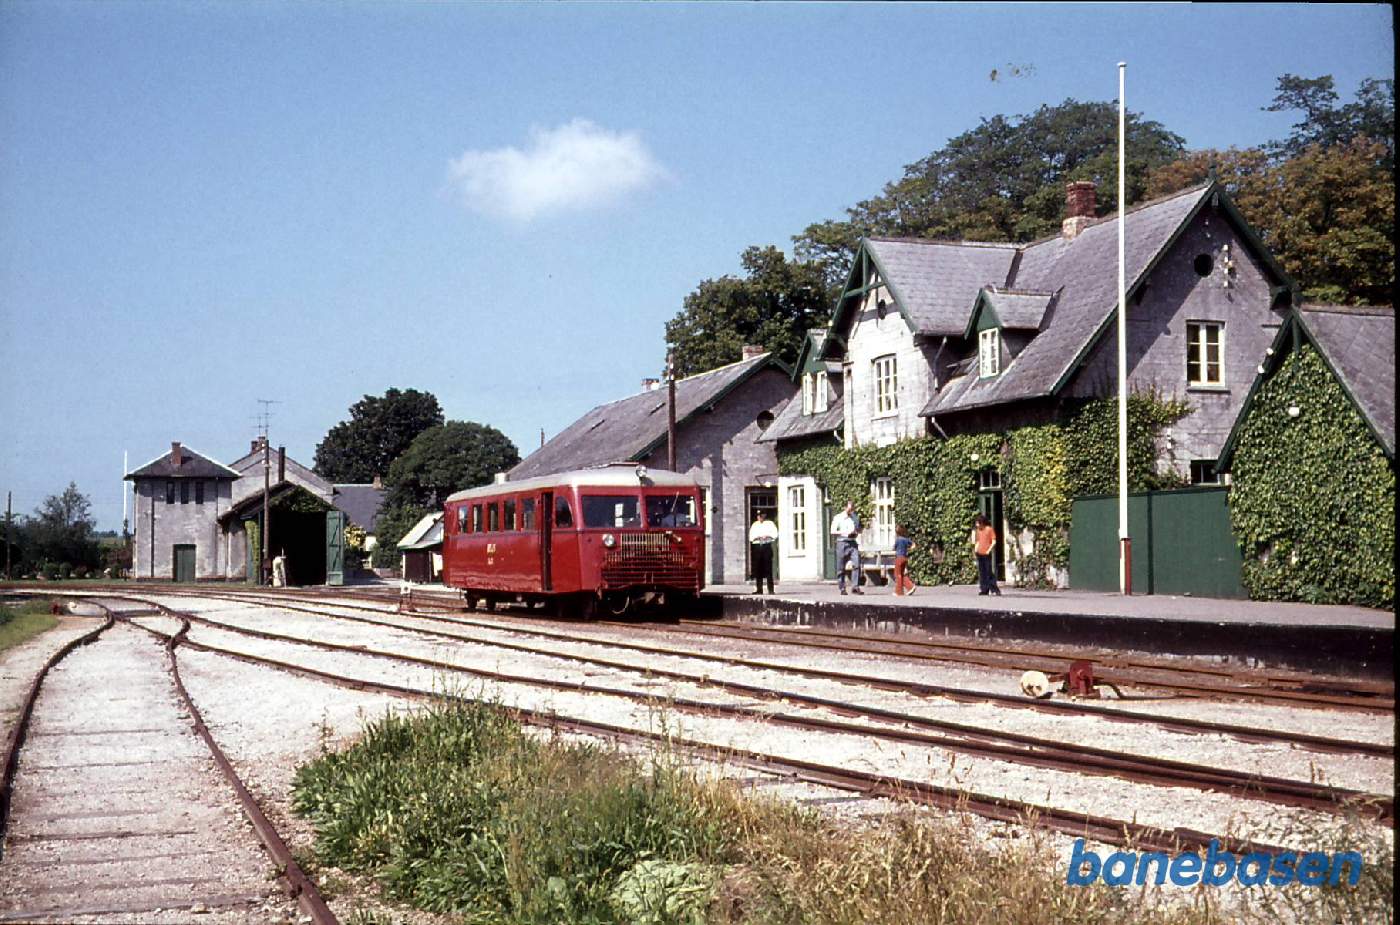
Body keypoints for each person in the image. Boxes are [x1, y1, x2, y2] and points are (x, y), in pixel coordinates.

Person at [830, 501, 863, 595]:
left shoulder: (854, 517)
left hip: (852, 542)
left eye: (852, 509)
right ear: (845, 508)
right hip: (842, 542)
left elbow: (858, 528)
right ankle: (842, 587)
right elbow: (832, 531)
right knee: (841, 567)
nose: (851, 511)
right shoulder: (838, 517)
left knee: (856, 564)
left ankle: (855, 587)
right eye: (849, 509)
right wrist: (845, 532)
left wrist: (857, 531)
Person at [748, 510, 778, 594]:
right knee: (758, 569)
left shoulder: (770, 524)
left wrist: (767, 536)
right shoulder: (755, 525)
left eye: (761, 516)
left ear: (764, 516)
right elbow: (751, 537)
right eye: (758, 516)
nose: (759, 518)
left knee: (768, 569)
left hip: (766, 546)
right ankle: (759, 589)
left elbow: (775, 534)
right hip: (757, 547)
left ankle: (771, 589)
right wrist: (758, 537)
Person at [972, 514, 1001, 596]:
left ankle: (994, 589)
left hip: (986, 553)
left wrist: (989, 550)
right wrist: (975, 549)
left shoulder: (989, 529)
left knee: (988, 571)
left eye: (978, 523)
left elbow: (993, 541)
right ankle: (984, 589)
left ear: (982, 523)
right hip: (979, 552)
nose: (977, 525)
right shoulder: (978, 530)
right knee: (982, 572)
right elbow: (977, 541)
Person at [892, 525, 916, 596]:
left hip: (899, 558)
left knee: (897, 574)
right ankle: (910, 587)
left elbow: (894, 548)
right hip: (905, 558)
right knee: (902, 574)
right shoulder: (906, 539)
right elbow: (913, 545)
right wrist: (908, 549)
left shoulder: (898, 539)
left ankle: (899, 591)